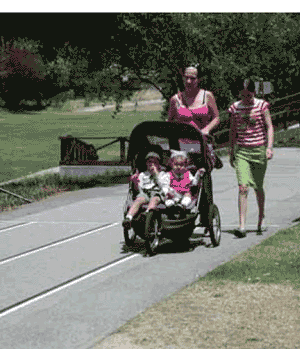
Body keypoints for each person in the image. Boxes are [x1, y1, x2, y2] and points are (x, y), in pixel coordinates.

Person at [228, 78, 274, 237]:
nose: (246, 99)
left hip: (258, 150)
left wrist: (269, 147)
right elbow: (233, 131)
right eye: (243, 95)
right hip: (242, 151)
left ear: (254, 93)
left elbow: (269, 127)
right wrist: (231, 151)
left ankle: (261, 219)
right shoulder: (235, 108)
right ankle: (242, 225)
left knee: (258, 187)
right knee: (243, 187)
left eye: (249, 95)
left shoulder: (262, 105)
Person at [122, 151, 169, 229]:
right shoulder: (143, 175)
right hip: (146, 193)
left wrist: (156, 174)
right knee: (139, 199)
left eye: (155, 163)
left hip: (157, 193)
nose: (152, 165)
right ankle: (129, 218)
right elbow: (139, 190)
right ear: (146, 164)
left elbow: (164, 187)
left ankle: (147, 215)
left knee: (154, 199)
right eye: (149, 162)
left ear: (159, 164)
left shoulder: (163, 174)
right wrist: (135, 183)